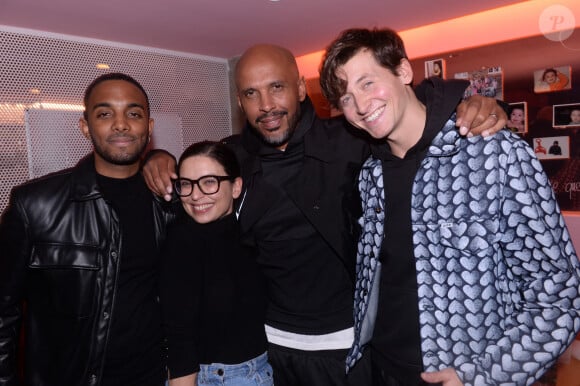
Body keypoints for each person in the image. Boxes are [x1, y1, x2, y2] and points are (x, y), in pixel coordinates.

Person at [143, 44, 507, 386]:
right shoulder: (234, 157)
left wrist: (469, 103)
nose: (266, 104)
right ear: (240, 102)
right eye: (251, 94)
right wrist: (157, 160)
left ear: (301, 88)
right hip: (270, 352)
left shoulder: (353, 139)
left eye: (277, 87)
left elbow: (403, 111)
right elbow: (195, 191)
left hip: (349, 348)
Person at [319, 27, 580, 386]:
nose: (360, 106)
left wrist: (483, 375)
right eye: (346, 98)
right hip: (380, 368)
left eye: (367, 83)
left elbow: (558, 294)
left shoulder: (494, 154)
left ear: (404, 72)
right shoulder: (370, 175)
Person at [0, 72, 177, 385]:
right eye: (105, 113)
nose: (121, 124)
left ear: (148, 129)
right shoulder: (34, 205)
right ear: (85, 127)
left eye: (133, 114)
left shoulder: (168, 201)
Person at [160, 141, 273, 386]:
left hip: (259, 372)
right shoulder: (182, 241)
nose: (195, 195)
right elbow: (179, 338)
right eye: (186, 184)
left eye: (209, 182)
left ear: (236, 187)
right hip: (211, 379)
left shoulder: (250, 236)